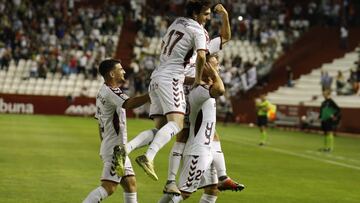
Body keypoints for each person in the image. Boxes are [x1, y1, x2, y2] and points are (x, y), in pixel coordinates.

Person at [163, 4, 244, 195]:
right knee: (185, 132)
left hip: (197, 90)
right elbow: (182, 76)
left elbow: (225, 38)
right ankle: (171, 179)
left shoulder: (200, 46)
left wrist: (224, 15)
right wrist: (199, 79)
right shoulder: (186, 55)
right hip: (188, 92)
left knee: (210, 132)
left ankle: (222, 177)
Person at [135, 0, 212, 181]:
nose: (208, 17)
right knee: (177, 124)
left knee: (162, 128)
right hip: (172, 78)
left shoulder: (177, 22)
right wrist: (199, 78)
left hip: (157, 75)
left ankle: (127, 148)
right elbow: (201, 55)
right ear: (196, 14)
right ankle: (148, 157)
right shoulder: (198, 30)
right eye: (206, 14)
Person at [158, 54, 225, 203]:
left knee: (212, 190)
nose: (218, 68)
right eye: (215, 65)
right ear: (205, 67)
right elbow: (220, 90)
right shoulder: (201, 90)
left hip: (205, 150)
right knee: (183, 193)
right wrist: (214, 74)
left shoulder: (204, 88)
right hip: (197, 151)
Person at [83, 59, 150, 203]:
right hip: (115, 149)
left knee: (130, 184)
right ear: (112, 74)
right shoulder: (110, 92)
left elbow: (99, 123)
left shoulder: (103, 91)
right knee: (109, 187)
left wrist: (105, 145)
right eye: (121, 69)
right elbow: (129, 104)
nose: (124, 71)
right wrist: (152, 94)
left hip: (114, 146)